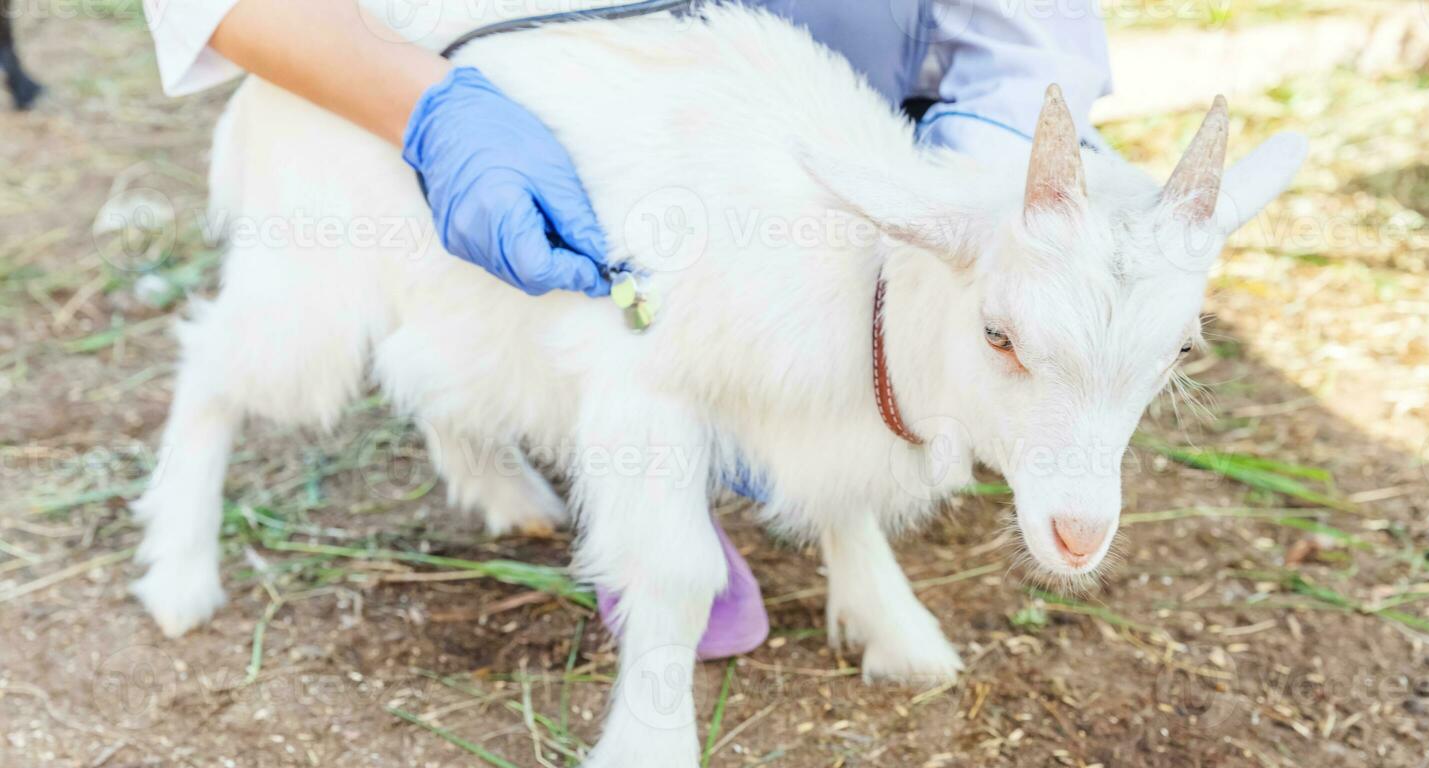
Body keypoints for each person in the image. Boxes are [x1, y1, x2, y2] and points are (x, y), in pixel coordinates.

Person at [143, 0, 1112, 657]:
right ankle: (194, 457)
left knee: (784, 323)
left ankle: (740, 495)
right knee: (298, 355)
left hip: (727, 74)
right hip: (415, 52)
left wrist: (992, 214)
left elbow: (1026, 36)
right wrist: (419, 101)